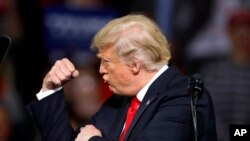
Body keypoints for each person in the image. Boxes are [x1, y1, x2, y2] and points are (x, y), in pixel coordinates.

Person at [27, 14, 217, 141]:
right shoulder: (119, 102)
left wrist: (93, 140)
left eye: (106, 62)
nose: (101, 70)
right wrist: (50, 90)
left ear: (135, 64)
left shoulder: (185, 97)